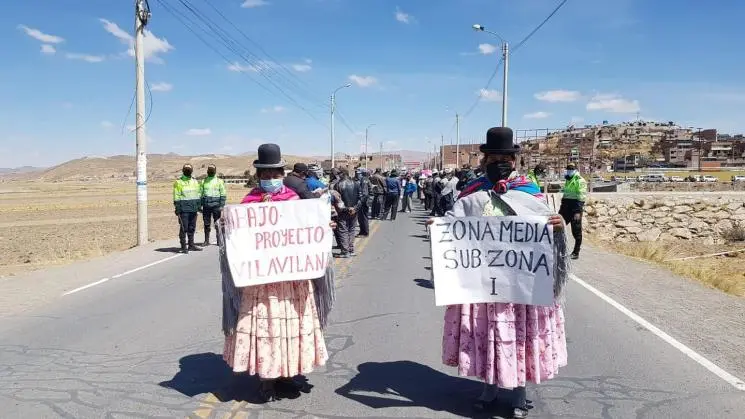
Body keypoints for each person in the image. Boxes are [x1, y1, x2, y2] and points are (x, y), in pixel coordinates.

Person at [433, 127, 569, 419]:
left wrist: (557, 225)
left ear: (515, 161)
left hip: (522, 286)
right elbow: (454, 225)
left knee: (518, 336)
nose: (499, 163)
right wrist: (439, 227)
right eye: (493, 158)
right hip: (484, 285)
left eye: (505, 157)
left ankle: (518, 393)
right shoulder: (472, 193)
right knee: (488, 333)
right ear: (484, 161)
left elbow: (545, 230)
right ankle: (489, 388)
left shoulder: (529, 192)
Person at [221, 144, 329, 402]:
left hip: (291, 280)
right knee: (264, 327)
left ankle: (287, 373)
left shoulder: (294, 201)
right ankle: (266, 378)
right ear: (258, 176)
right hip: (261, 282)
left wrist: (323, 226)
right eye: (265, 175)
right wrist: (227, 224)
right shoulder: (249, 202)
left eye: (274, 174)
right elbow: (240, 238)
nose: (270, 179)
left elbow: (306, 232)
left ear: (282, 173)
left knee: (289, 326)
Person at [559, 163, 587, 260]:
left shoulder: (580, 180)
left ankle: (576, 252)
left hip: (576, 208)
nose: (569, 170)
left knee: (576, 231)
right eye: (568, 169)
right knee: (558, 226)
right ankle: (558, 249)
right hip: (566, 207)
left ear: (575, 170)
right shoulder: (568, 179)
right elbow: (566, 194)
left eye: (571, 169)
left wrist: (578, 211)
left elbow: (582, 196)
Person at [173, 164, 203, 254]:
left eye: (189, 169)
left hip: (193, 209)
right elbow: (176, 196)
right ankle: (183, 246)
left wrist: (199, 206)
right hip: (184, 209)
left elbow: (198, 194)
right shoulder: (178, 182)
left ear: (192, 170)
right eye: (186, 169)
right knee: (183, 228)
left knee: (192, 228)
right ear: (183, 170)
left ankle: (191, 245)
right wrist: (177, 208)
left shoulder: (195, 181)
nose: (187, 170)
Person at [333, 168, 363, 257]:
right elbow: (361, 198)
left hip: (343, 212)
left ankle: (345, 251)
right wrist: (354, 208)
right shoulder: (356, 183)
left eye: (338, 174)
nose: (337, 175)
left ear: (342, 174)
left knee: (343, 230)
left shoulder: (338, 185)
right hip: (353, 211)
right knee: (351, 230)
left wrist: (347, 209)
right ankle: (351, 250)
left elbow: (338, 201)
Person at [200, 164, 226, 246]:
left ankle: (219, 240)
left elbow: (223, 194)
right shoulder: (203, 181)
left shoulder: (219, 181)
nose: (210, 171)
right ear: (207, 171)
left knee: (217, 223)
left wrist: (222, 205)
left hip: (216, 205)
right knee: (206, 224)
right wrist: (200, 205)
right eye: (209, 169)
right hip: (206, 205)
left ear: (215, 171)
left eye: (212, 170)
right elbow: (200, 194)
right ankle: (206, 241)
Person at [356, 169, 371, 236]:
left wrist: (361, 201)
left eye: (359, 173)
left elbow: (364, 193)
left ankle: (365, 232)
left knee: (363, 217)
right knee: (360, 218)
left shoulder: (364, 180)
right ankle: (362, 231)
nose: (358, 174)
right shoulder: (365, 179)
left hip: (363, 202)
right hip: (364, 201)